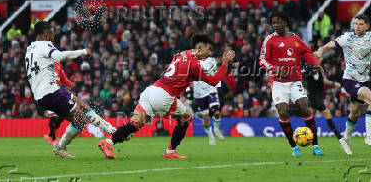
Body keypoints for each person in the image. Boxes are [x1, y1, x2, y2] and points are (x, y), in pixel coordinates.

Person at [98, 34, 235, 159]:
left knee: (135, 124)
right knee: (186, 118)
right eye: (208, 49)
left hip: (151, 90)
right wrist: (224, 64)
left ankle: (107, 142)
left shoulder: (182, 54)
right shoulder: (194, 64)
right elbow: (213, 81)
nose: (210, 53)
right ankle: (170, 152)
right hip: (164, 95)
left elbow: (187, 73)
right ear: (199, 48)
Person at [26, 21, 116, 157]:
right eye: (51, 31)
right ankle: (60, 147)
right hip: (50, 92)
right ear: (46, 32)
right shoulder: (45, 45)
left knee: (83, 105)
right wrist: (83, 51)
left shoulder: (30, 49)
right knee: (80, 119)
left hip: (43, 94)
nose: (53, 34)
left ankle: (112, 130)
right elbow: (61, 57)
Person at [315, 14, 371, 154]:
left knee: (355, 114)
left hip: (362, 80)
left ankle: (345, 139)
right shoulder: (347, 37)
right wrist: (320, 50)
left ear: (367, 26)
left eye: (360, 24)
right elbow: (330, 45)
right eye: (355, 24)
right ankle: (369, 137)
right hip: (350, 80)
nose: (357, 26)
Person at [259, 11, 324, 156]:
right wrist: (274, 68)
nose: (275, 25)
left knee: (305, 108)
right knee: (283, 111)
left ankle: (315, 146)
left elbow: (306, 52)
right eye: (273, 23)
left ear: (285, 23)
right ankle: (294, 146)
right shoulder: (269, 40)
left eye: (278, 22)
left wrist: (315, 63)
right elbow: (262, 60)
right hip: (278, 82)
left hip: (295, 80)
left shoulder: (295, 38)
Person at [302, 64, 342, 139]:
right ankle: (338, 136)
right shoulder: (308, 68)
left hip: (319, 95)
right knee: (326, 112)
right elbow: (303, 77)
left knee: (311, 116)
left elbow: (323, 80)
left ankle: (307, 135)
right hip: (313, 96)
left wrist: (334, 84)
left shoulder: (319, 69)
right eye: (318, 57)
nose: (320, 58)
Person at [192, 56, 224, 145]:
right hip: (199, 95)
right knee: (206, 118)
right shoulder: (191, 63)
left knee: (216, 113)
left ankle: (216, 129)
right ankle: (211, 136)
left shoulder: (211, 60)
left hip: (211, 91)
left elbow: (218, 68)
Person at [43, 60, 73, 145]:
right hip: (48, 92)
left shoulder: (58, 64)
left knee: (63, 115)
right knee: (53, 116)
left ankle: (49, 134)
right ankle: (52, 138)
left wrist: (69, 83)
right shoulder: (44, 63)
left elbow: (63, 77)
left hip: (57, 92)